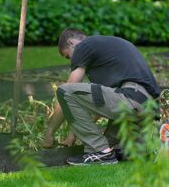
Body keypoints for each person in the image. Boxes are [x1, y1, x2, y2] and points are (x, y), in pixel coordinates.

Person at [42, 28, 160, 166]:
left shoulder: (84, 45)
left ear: (71, 42)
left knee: (64, 90)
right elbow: (100, 104)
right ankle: (138, 148)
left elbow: (68, 90)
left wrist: (49, 133)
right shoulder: (106, 49)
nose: (71, 61)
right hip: (148, 107)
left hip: (131, 99)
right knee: (110, 145)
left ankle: (102, 153)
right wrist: (73, 134)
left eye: (68, 56)